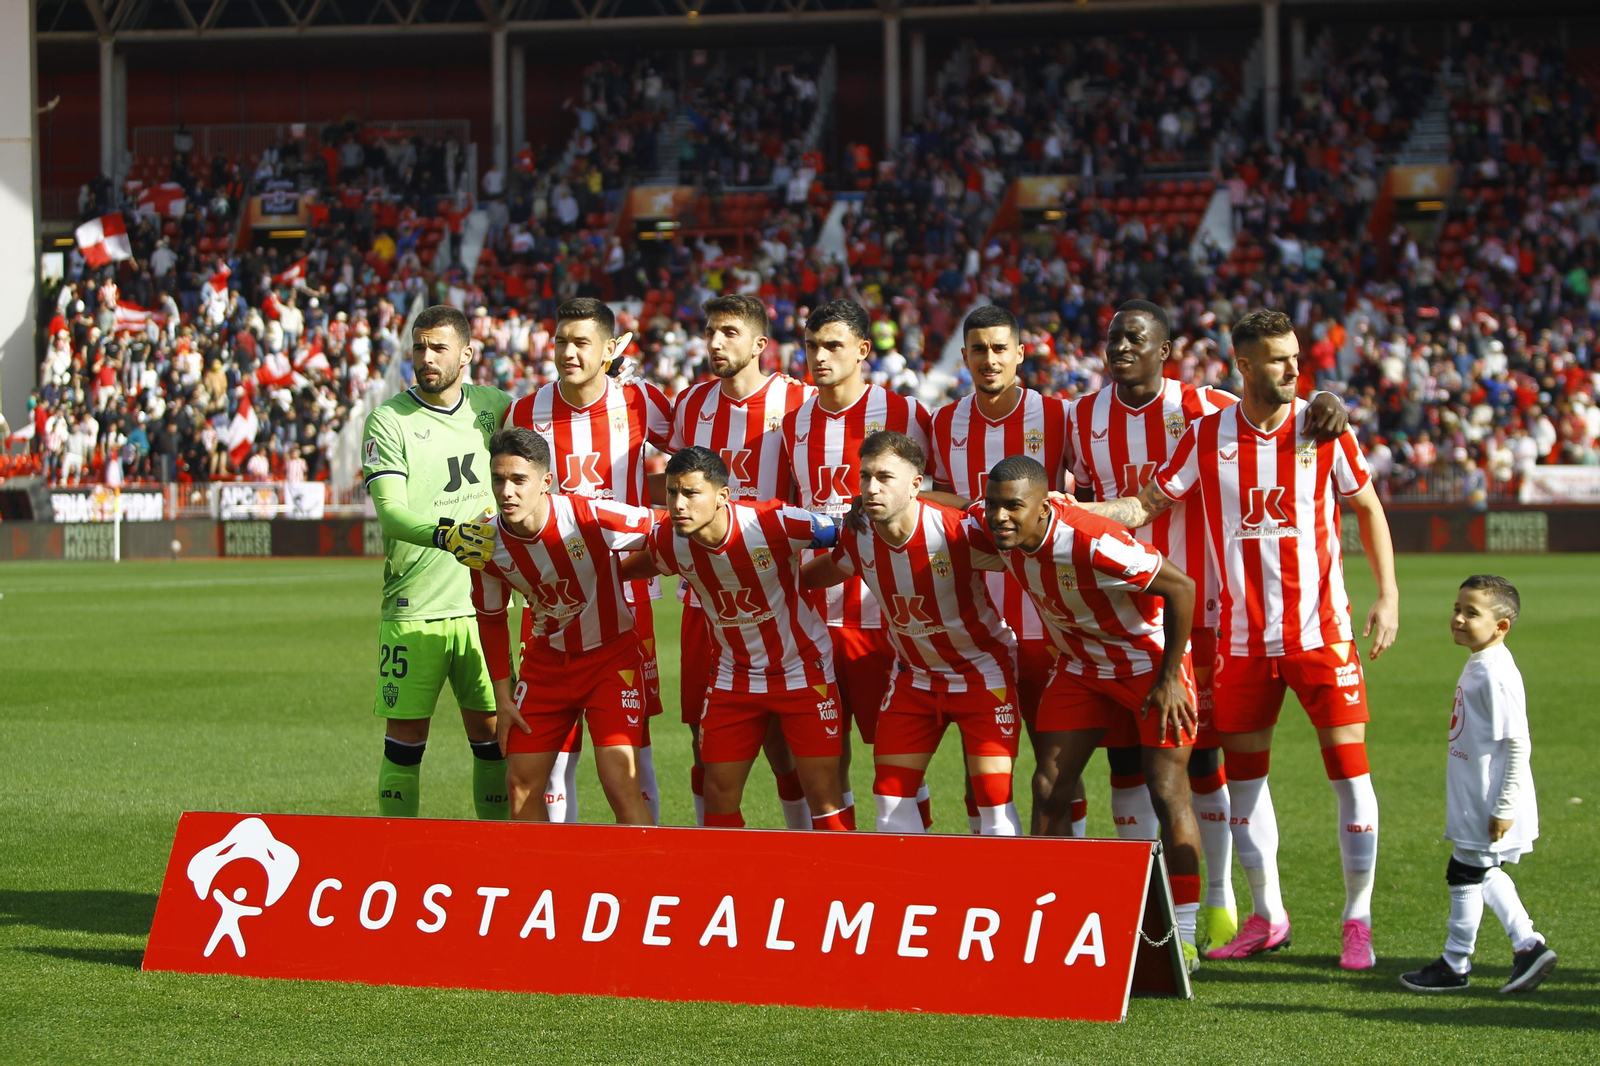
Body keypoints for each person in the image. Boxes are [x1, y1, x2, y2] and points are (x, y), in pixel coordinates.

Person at [1088, 308, 1399, 971]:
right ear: (1247, 365)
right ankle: (1268, 914)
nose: (1294, 370)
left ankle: (1357, 920)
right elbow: (1145, 506)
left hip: (1322, 635)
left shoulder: (1322, 428)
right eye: (1279, 360)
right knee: (1246, 788)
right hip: (1242, 643)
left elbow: (1367, 506)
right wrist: (1069, 509)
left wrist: (1389, 594)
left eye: (1297, 358)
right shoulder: (1207, 435)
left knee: (1349, 775)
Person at [970, 454, 1205, 969]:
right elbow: (933, 515)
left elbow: (1182, 587)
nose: (1000, 518)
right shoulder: (992, 528)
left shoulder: (1092, 540)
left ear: (1046, 506)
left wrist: (1170, 678)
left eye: (1014, 508)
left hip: (1147, 662)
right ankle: (1047, 918)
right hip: (1079, 666)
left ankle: (1185, 934)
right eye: (993, 507)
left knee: (1167, 790)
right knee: (1049, 787)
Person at [802, 431, 1022, 836]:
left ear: (916, 485)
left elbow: (1028, 555)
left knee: (993, 800)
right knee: (889, 803)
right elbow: (838, 565)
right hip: (914, 679)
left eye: (885, 477)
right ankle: (912, 895)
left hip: (981, 674)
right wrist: (787, 585)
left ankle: (998, 896)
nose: (871, 488)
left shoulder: (959, 532)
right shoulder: (859, 532)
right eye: (865, 476)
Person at [619, 447, 850, 829]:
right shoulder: (669, 538)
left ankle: (839, 883)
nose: (678, 503)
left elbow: (846, 535)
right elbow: (638, 566)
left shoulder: (774, 521)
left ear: (722, 496)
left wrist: (806, 583)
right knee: (719, 790)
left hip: (802, 670)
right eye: (673, 492)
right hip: (733, 676)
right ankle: (727, 883)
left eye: (691, 493)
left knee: (823, 792)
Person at [506, 297, 672, 824]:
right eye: (561, 342)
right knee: (553, 755)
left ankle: (649, 864)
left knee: (631, 752)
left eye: (582, 343)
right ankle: (559, 872)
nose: (569, 352)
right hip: (552, 594)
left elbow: (694, 458)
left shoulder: (641, 401)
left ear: (608, 350)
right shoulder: (525, 411)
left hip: (626, 596)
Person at [782, 299, 934, 830]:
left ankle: (914, 875)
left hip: (884, 620)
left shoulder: (908, 415)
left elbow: (931, 507)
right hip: (812, 621)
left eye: (832, 346)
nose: (818, 357)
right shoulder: (794, 422)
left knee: (899, 765)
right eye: (810, 346)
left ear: (863, 351)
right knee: (825, 763)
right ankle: (838, 877)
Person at [928, 304, 1080, 837]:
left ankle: (1066, 882)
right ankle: (995, 888)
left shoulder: (1061, 416)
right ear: (964, 356)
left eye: (999, 348)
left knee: (1057, 767)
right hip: (974, 626)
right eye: (977, 349)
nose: (989, 360)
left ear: (1020, 352)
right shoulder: (945, 422)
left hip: (1046, 622)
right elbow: (944, 497)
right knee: (982, 774)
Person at [670, 294, 815, 828]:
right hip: (703, 598)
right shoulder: (690, 405)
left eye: (728, 332)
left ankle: (800, 844)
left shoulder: (799, 401)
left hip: (778, 598)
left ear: (760, 344)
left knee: (782, 739)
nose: (714, 343)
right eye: (710, 331)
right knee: (701, 733)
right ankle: (713, 852)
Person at [360, 304, 509, 821]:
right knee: (405, 737)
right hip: (413, 606)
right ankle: (395, 859)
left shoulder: (495, 406)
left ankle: (497, 851)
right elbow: (393, 516)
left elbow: (555, 419)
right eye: (419, 347)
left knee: (493, 734)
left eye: (438, 347)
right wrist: (451, 536)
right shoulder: (388, 420)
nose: (426, 357)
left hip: (485, 607)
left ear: (466, 353)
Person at [466, 427, 655, 825]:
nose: (507, 492)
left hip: (610, 660)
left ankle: (645, 880)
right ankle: (536, 883)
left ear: (545, 482)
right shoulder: (484, 542)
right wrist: (503, 697)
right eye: (498, 479)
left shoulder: (587, 515)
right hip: (546, 666)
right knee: (519, 783)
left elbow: (663, 527)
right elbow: (491, 617)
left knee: (619, 781)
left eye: (519, 480)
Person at [1401, 575, 1555, 993]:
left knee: (1469, 871)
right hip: (1475, 797)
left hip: (1489, 800)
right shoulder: (1481, 663)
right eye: (1457, 609)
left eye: (1472, 613)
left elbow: (1518, 742)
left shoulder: (1495, 674)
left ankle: (1485, 955)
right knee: (1474, 871)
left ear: (1501, 626)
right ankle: (1504, 951)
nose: (1458, 618)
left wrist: (1504, 805)